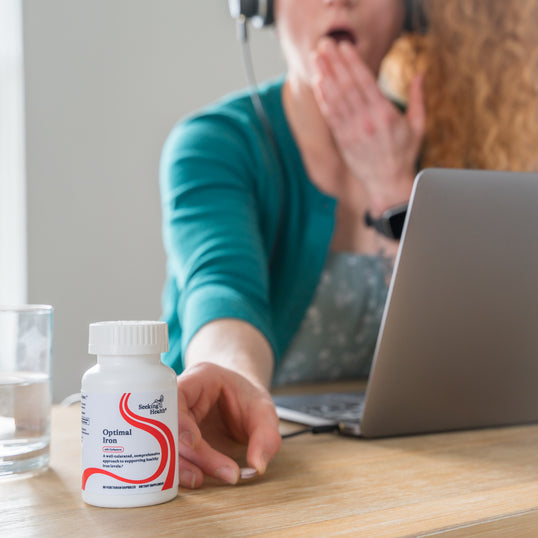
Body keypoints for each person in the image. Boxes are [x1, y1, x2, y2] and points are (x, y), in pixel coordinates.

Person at [159, 0, 426, 489]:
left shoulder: (443, 141)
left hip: (402, 470)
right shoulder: (215, 144)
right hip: (253, 467)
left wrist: (396, 193)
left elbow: (460, 347)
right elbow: (222, 287)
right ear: (263, 8)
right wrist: (226, 371)